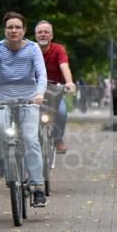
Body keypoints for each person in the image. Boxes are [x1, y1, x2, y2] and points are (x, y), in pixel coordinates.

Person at [0, 12, 48, 207]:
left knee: (31, 139)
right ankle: (1, 158)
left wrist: (39, 94)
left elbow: (41, 74)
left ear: (24, 30)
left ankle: (37, 186)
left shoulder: (33, 48)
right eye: (10, 27)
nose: (13, 30)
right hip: (2, 99)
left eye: (17, 27)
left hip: (28, 99)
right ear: (5, 30)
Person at [34, 21, 76, 153]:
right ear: (35, 36)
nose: (43, 34)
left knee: (62, 112)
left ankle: (58, 139)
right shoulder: (30, 49)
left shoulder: (58, 49)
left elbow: (64, 66)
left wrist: (69, 82)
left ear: (51, 35)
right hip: (34, 89)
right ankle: (29, 139)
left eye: (46, 32)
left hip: (54, 89)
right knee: (27, 113)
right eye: (40, 32)